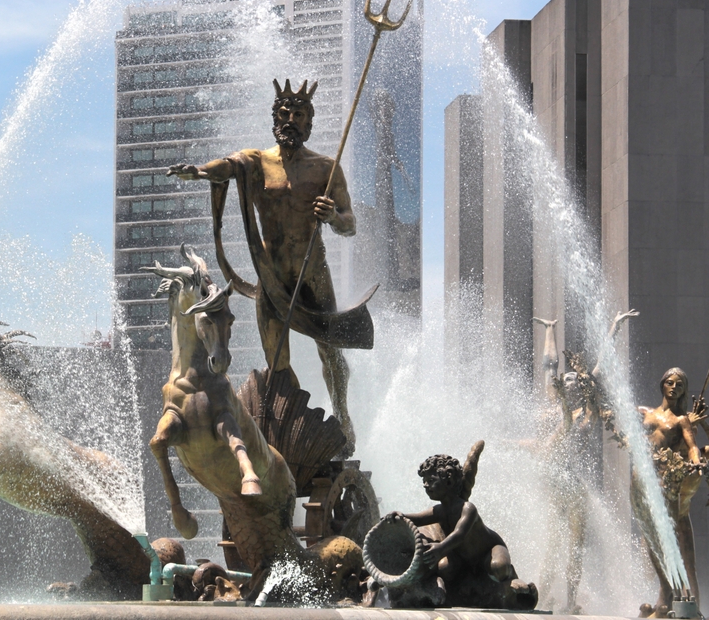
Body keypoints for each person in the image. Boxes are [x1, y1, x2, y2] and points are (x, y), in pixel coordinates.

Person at [168, 78, 372, 458]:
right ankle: (291, 425)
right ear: (275, 119)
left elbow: (350, 223)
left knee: (330, 352)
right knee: (276, 362)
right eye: (284, 113)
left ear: (309, 123)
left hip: (313, 275)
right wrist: (197, 171)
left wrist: (332, 216)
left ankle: (343, 416)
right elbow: (225, 167)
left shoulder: (326, 168)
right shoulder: (256, 162)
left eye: (298, 114)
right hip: (272, 279)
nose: (290, 119)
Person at [531, 310, 636, 614]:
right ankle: (543, 596)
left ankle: (570, 600)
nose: (573, 384)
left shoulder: (585, 416)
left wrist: (614, 329)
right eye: (569, 382)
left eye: (578, 384)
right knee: (552, 545)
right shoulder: (554, 409)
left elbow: (600, 370)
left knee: (575, 549)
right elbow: (549, 365)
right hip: (554, 484)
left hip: (573, 488)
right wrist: (550, 330)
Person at [386, 443, 537, 610]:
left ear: (449, 480)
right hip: (462, 556)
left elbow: (460, 534)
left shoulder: (468, 508)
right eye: (424, 481)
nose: (425, 485)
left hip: (487, 550)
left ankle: (509, 578)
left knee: (498, 567)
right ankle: (462, 588)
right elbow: (417, 519)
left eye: (431, 481)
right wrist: (399, 516)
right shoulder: (440, 510)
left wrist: (440, 548)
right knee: (445, 569)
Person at [635, 368, 709, 617]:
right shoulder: (643, 413)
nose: (674, 387)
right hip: (646, 488)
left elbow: (703, 449)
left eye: (680, 385)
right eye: (671, 382)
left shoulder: (682, 424)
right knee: (653, 543)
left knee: (686, 563)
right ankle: (665, 599)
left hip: (675, 507)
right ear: (662, 384)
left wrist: (697, 453)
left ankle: (686, 607)